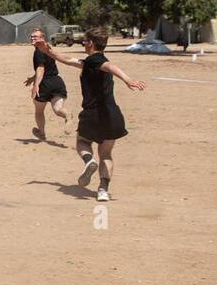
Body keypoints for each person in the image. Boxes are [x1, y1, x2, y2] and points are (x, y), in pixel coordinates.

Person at [34, 27, 145, 202]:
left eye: (85, 41)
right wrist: (47, 49)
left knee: (82, 142)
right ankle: (103, 190)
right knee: (106, 154)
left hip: (93, 115)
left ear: (91, 43)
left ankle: (88, 161)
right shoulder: (88, 62)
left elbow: (110, 66)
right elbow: (66, 59)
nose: (83, 43)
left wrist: (127, 79)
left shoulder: (95, 61)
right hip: (112, 114)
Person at [24, 28, 69, 139]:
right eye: (32, 36)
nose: (32, 38)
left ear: (42, 38)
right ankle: (67, 115)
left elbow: (41, 69)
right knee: (58, 109)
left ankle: (41, 133)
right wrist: (32, 78)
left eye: (35, 37)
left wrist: (36, 85)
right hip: (57, 81)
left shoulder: (38, 51)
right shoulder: (48, 49)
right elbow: (46, 67)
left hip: (45, 84)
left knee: (39, 111)